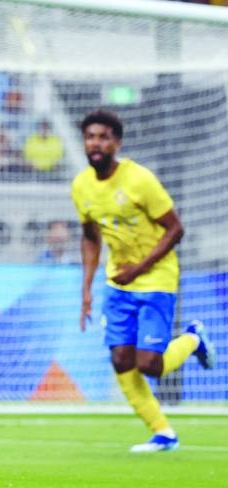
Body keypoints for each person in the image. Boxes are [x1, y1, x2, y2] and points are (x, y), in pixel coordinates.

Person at [72, 109, 216, 453]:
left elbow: (175, 228)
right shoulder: (81, 186)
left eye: (104, 137)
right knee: (121, 359)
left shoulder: (139, 180)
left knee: (150, 364)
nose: (96, 143)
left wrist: (138, 269)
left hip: (156, 279)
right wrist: (86, 289)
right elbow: (90, 237)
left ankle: (193, 338)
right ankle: (163, 432)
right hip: (118, 283)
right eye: (90, 136)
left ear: (116, 143)